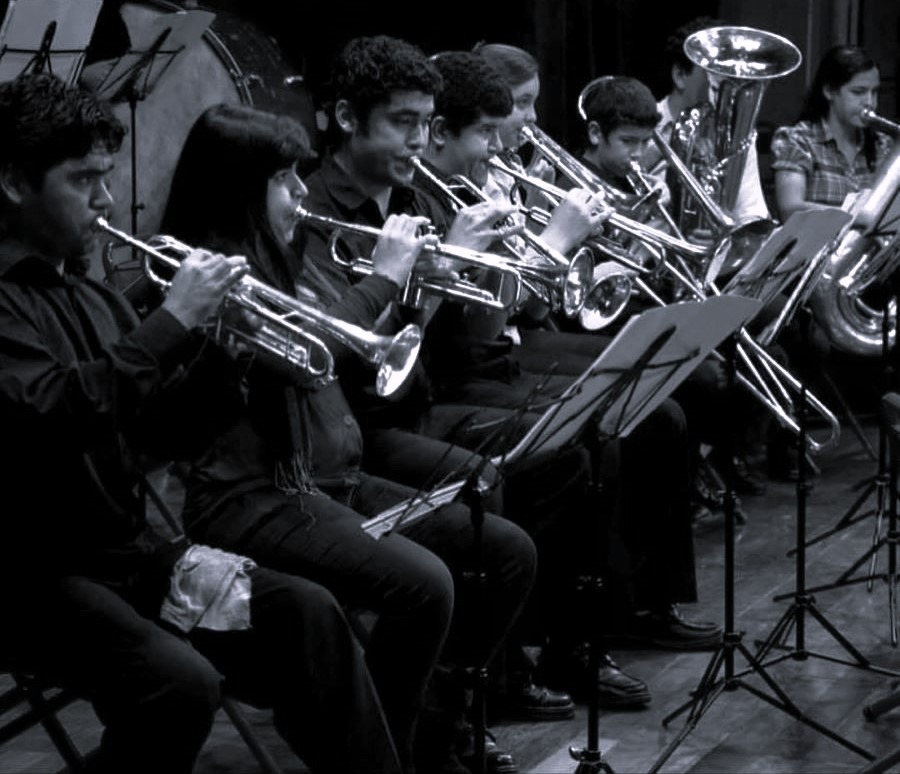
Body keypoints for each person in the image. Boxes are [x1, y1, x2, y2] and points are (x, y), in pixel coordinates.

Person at [0, 72, 402, 774]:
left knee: (304, 615)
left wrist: (225, 359)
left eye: (104, 177)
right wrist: (172, 321)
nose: (103, 200)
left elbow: (163, 437)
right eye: (82, 179)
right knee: (177, 686)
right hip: (32, 576)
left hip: (132, 560)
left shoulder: (90, 292)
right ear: (12, 182)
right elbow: (54, 414)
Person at [161, 100, 540, 774]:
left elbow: (351, 356)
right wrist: (384, 278)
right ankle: (379, 754)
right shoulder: (210, 273)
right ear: (241, 187)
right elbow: (312, 359)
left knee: (503, 547)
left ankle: (430, 727)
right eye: (285, 179)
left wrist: (416, 291)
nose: (302, 192)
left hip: (319, 479)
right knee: (425, 585)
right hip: (245, 501)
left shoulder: (278, 252)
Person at [770, 44, 893, 219]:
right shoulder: (797, 140)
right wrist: (855, 215)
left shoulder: (883, 146)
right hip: (816, 244)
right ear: (829, 91)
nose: (870, 102)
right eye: (858, 92)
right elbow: (790, 209)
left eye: (874, 92)